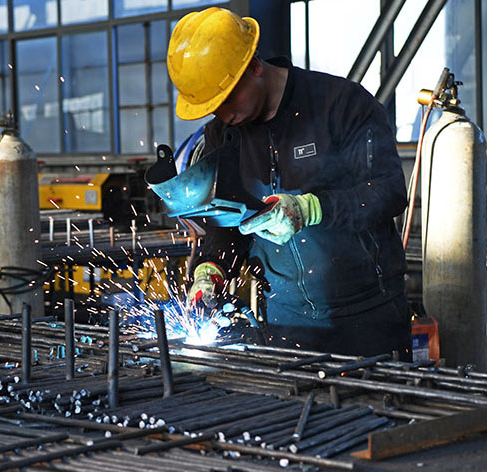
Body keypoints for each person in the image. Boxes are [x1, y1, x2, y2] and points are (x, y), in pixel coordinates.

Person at [170, 7, 412, 359]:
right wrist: (210, 271)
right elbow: (227, 222)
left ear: (254, 67)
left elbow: (388, 191)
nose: (221, 114)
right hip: (287, 325)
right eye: (213, 107)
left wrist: (310, 208)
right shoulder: (224, 134)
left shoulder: (340, 104)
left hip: (367, 320)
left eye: (227, 99)